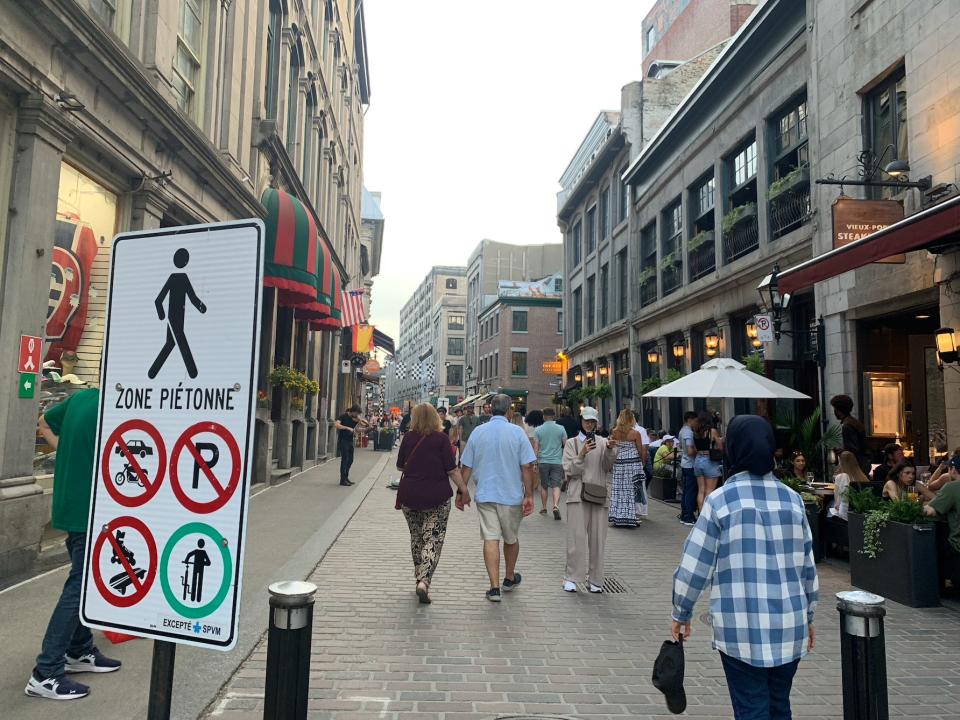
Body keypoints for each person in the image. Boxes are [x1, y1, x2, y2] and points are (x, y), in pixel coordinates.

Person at [670, 414, 818, 720]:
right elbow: (807, 565)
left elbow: (695, 565)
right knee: (779, 705)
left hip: (741, 626)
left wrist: (681, 612)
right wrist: (809, 615)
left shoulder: (721, 501)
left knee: (751, 708)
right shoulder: (792, 500)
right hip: (789, 624)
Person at [27, 388, 122, 701]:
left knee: (84, 581)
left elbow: (44, 422)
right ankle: (46, 672)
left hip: (70, 505)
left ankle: (79, 650)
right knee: (81, 586)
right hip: (91, 509)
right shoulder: (118, 406)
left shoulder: (84, 398)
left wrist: (67, 451)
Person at [459, 394, 537, 602]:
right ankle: (509, 578)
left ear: (489, 409)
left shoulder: (478, 432)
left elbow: (466, 466)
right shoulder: (518, 433)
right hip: (511, 495)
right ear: (509, 411)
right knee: (511, 538)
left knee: (490, 538)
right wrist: (529, 495)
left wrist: (462, 492)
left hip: (485, 494)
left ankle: (494, 588)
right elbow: (527, 466)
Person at [395, 403, 471, 603]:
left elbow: (399, 466)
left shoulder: (408, 438)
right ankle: (424, 580)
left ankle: (418, 576)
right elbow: (452, 470)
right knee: (433, 539)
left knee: (417, 538)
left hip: (409, 496)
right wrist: (463, 489)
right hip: (437, 496)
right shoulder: (441, 439)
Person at [561, 407, 617, 592]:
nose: (589, 424)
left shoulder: (603, 442)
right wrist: (582, 454)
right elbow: (570, 470)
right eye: (586, 420)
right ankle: (572, 577)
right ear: (581, 421)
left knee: (598, 540)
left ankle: (595, 580)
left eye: (592, 421)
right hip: (577, 495)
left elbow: (608, 467)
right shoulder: (572, 443)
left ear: (596, 423)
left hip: (599, 494)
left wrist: (610, 450)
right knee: (576, 538)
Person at [608, 409, 646, 527]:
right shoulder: (635, 433)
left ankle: (617, 516)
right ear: (631, 419)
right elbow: (640, 450)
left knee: (618, 489)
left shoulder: (614, 432)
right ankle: (631, 516)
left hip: (619, 463)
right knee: (631, 490)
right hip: (633, 463)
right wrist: (642, 462)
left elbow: (612, 446)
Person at [923, 455, 960, 557]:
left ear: (952, 470)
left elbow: (930, 512)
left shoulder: (952, 486)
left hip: (956, 547)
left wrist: (914, 508)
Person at [534, 408, 567, 519]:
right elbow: (566, 444)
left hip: (543, 461)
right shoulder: (561, 428)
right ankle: (556, 506)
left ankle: (544, 507)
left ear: (543, 416)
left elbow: (536, 447)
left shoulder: (538, 430)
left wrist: (535, 462)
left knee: (544, 486)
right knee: (556, 485)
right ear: (554, 416)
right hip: (557, 461)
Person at [830, 394, 870, 475]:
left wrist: (841, 452)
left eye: (834, 409)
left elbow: (853, 450)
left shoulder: (847, 425)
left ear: (838, 410)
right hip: (863, 464)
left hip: (856, 467)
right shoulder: (854, 422)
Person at [693, 410, 724, 512]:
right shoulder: (712, 431)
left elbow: (694, 447)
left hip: (698, 460)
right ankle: (707, 515)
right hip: (709, 460)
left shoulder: (695, 431)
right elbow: (720, 446)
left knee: (701, 490)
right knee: (709, 490)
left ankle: (701, 515)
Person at [828, 450, 869, 521]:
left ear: (841, 462)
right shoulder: (863, 477)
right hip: (859, 515)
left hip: (844, 516)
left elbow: (837, 504)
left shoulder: (841, 476)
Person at [335, 405, 369, 486]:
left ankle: (346, 477)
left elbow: (357, 429)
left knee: (350, 460)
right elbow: (336, 425)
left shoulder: (355, 419)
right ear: (353, 411)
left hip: (350, 441)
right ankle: (342, 480)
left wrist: (365, 428)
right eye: (357, 413)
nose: (357, 415)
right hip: (343, 441)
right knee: (345, 460)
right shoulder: (343, 416)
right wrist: (347, 428)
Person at [677, 411, 699, 526]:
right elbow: (690, 451)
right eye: (696, 421)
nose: (697, 423)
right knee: (690, 491)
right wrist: (699, 451)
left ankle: (684, 514)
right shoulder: (688, 432)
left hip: (685, 464)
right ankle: (688, 516)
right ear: (690, 420)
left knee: (686, 490)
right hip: (690, 464)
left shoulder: (682, 430)